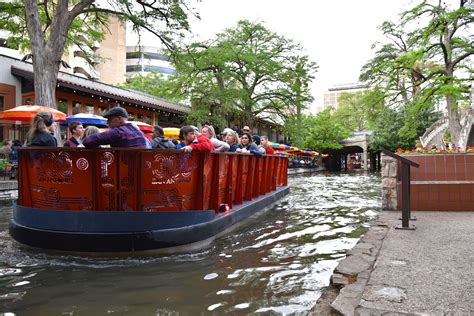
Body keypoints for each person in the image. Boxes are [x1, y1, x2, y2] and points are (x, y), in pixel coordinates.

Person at [82, 107, 147, 148]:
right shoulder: (138, 132)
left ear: (119, 119)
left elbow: (87, 141)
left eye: (109, 119)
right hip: (142, 168)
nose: (107, 123)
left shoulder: (118, 132)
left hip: (124, 168)